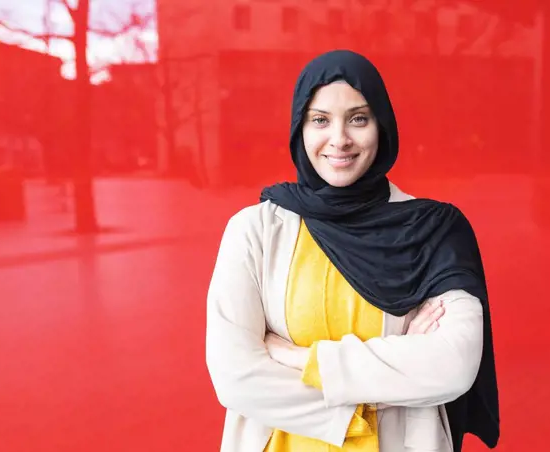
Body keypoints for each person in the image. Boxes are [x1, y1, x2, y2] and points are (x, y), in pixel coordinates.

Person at [206, 49, 499, 452]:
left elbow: (453, 365)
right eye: (320, 120)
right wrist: (377, 395)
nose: (339, 139)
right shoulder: (255, 230)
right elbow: (235, 375)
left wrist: (300, 359)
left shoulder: (434, 230)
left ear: (382, 125)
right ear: (300, 129)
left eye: (358, 118)